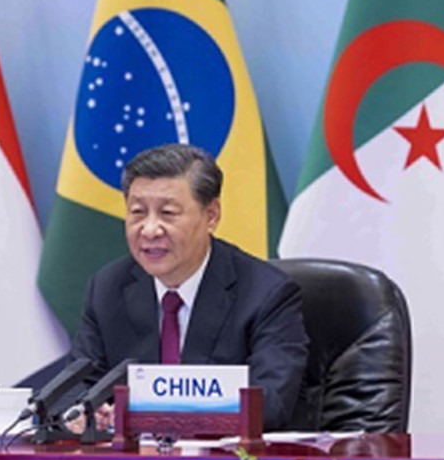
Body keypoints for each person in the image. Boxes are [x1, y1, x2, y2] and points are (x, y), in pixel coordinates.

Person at [65, 144, 308, 432]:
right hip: (133, 458)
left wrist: (150, 412)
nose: (149, 230)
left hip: (224, 459)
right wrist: (87, 411)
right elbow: (76, 386)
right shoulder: (108, 288)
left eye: (167, 213)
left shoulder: (267, 293)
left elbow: (270, 403)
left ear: (211, 215)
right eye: (138, 212)